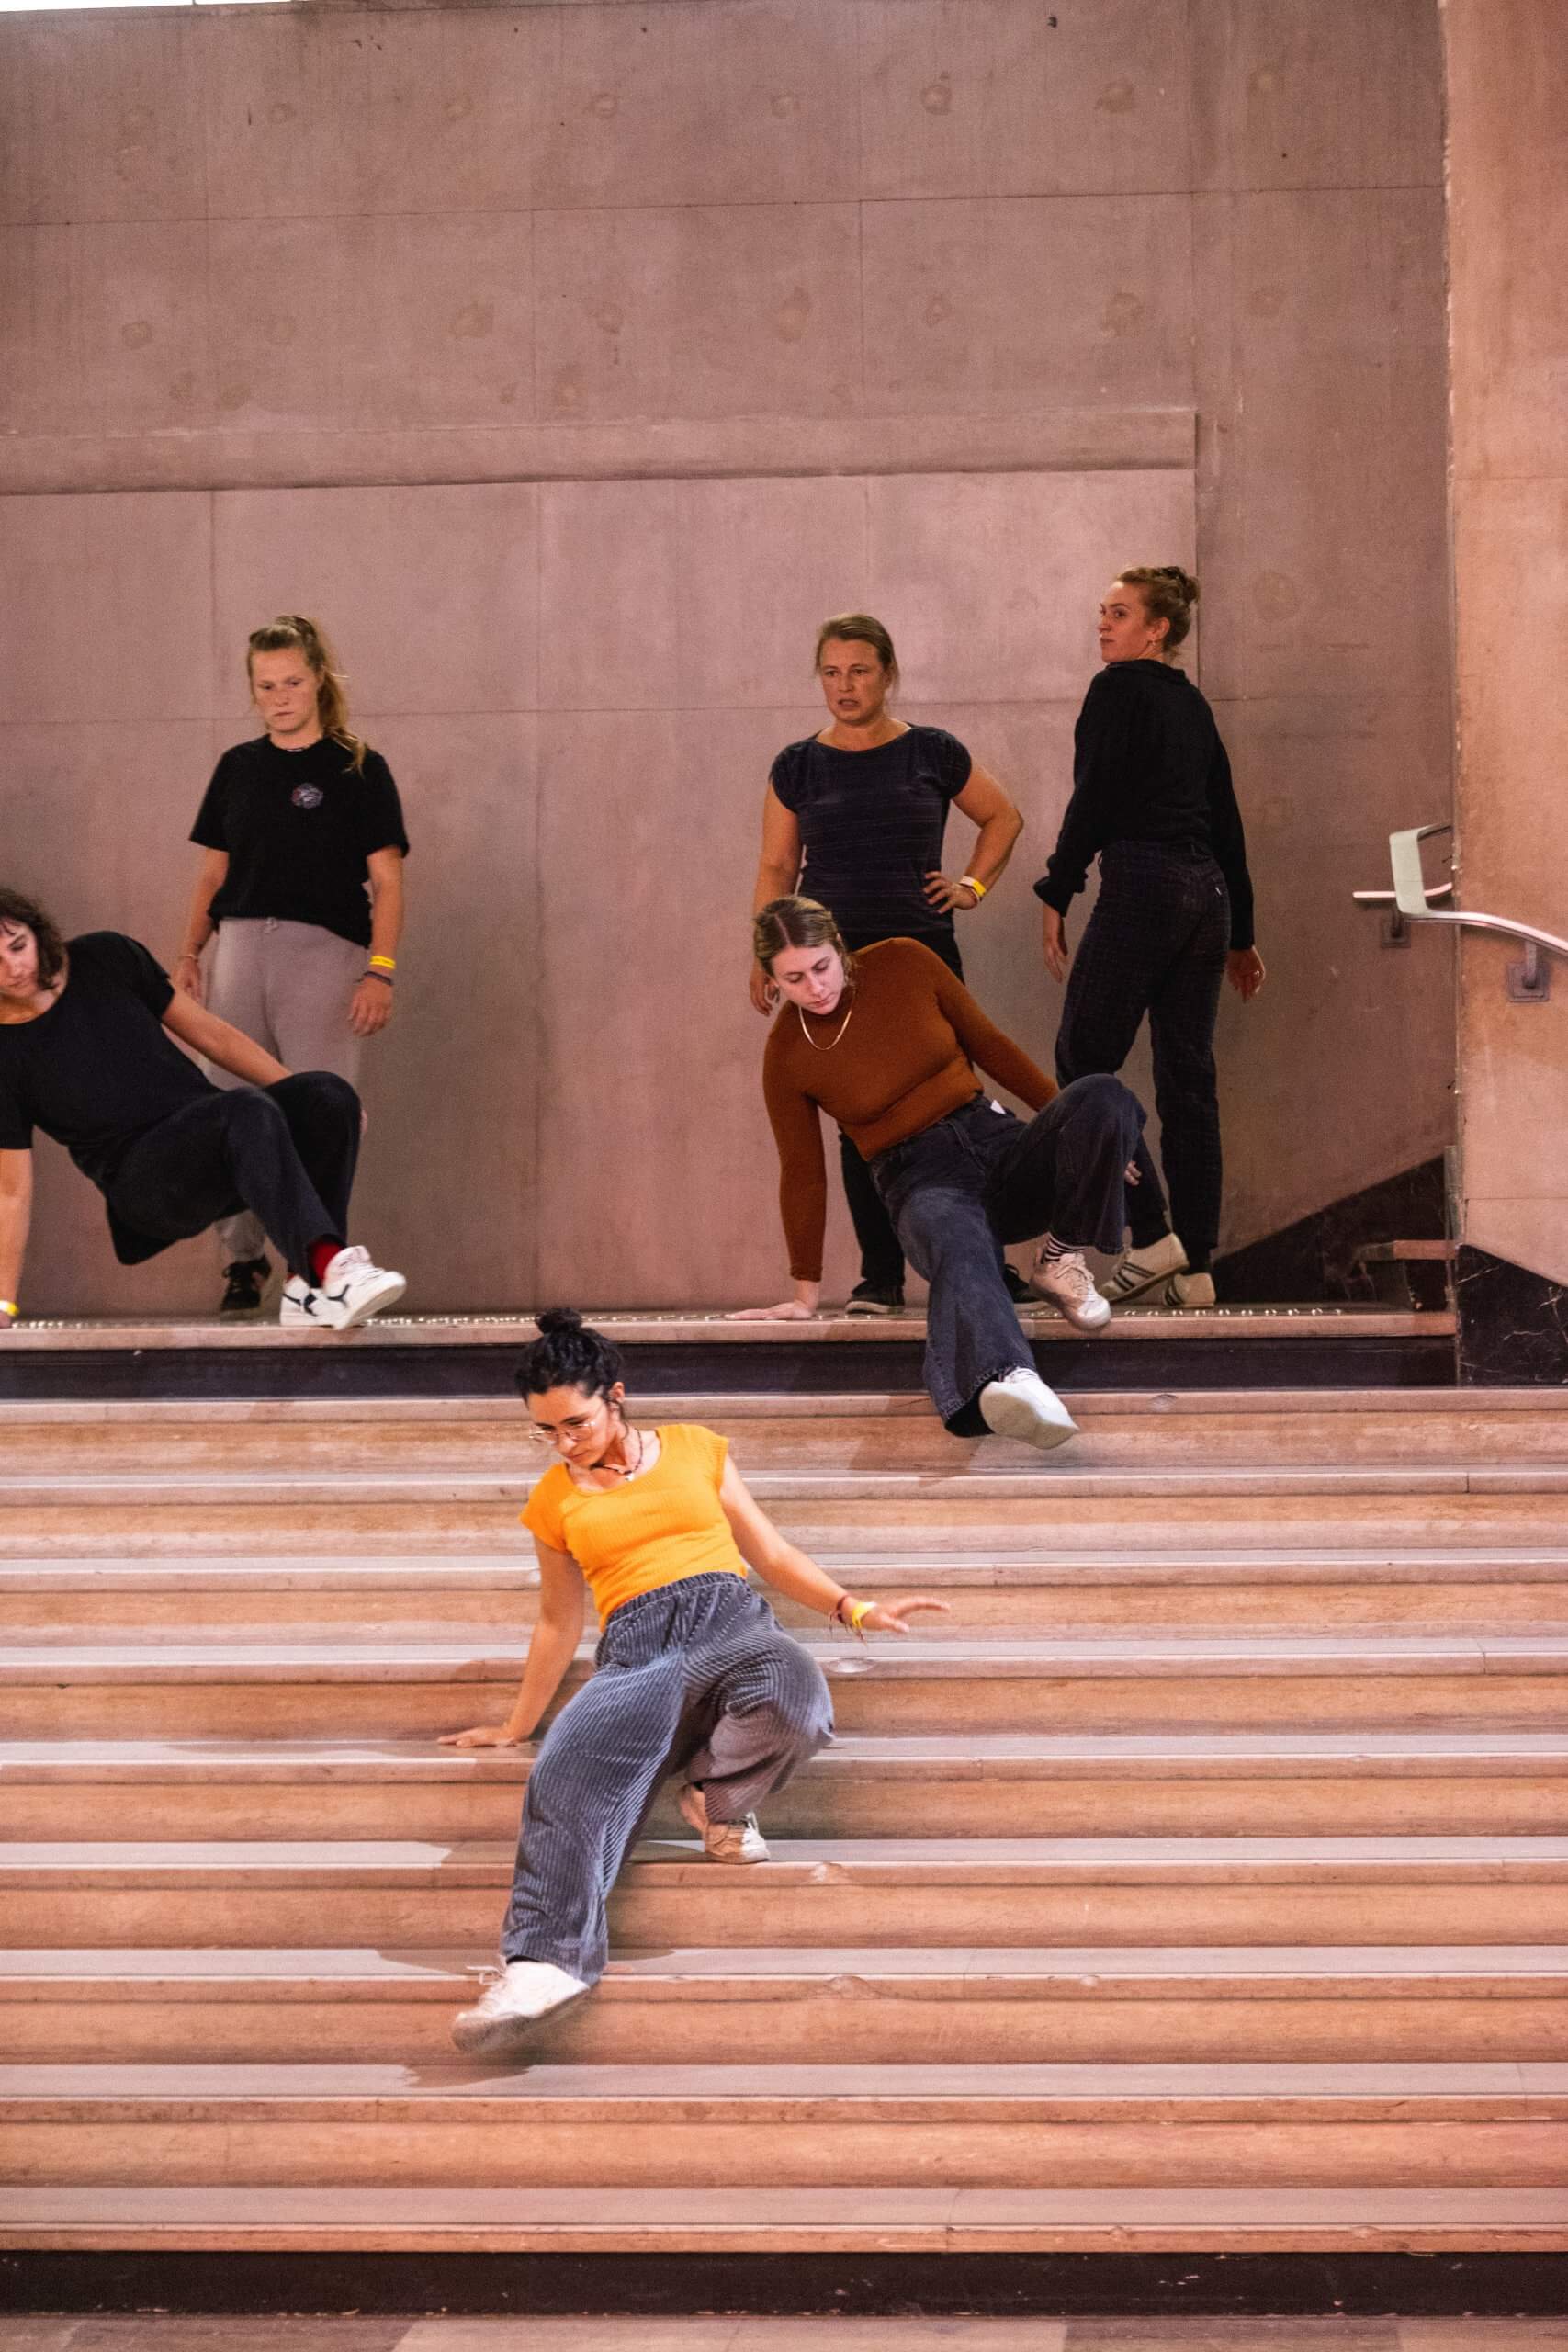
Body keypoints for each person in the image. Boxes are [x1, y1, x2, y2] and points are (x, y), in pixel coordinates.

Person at [442, 1308, 947, 2058]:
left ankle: (716, 1802)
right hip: (636, 1650)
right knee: (563, 1773)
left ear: (615, 1395)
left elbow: (768, 1552)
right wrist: (519, 1725)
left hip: (731, 1619)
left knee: (797, 1699)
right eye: (545, 1431)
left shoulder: (694, 1449)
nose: (564, 1443)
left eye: (574, 1422)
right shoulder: (553, 1498)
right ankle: (543, 1963)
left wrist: (851, 1606)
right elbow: (557, 1623)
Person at [735, 897, 1148, 1451]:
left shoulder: (905, 961)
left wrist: (1088, 1136)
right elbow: (803, 1171)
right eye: (794, 978)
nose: (815, 987)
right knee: (958, 1240)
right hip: (917, 1179)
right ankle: (1011, 1379)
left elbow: (992, 1047)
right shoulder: (787, 1052)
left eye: (822, 966)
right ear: (773, 981)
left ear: (839, 947)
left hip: (995, 1140)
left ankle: (1060, 1258)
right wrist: (804, 1291)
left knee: (1104, 1097)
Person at [750, 612, 1026, 1317]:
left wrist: (971, 886)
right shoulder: (797, 766)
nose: (843, 686)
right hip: (829, 964)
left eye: (859, 671)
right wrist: (762, 954)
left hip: (919, 949)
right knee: (857, 1119)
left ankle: (986, 1259)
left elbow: (1003, 818)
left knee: (957, 1101)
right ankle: (880, 1276)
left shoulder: (932, 752)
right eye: (831, 672)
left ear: (888, 674)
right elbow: (778, 863)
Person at [0, 888, 404, 1333]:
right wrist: (4, 1304)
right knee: (241, 1109)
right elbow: (10, 1189)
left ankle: (306, 1288)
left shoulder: (107, 956)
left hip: (213, 1138)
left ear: (37, 933)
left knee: (328, 1095)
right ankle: (331, 1269)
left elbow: (214, 1035)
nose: (14, 968)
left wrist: (309, 1104)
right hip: (146, 1187)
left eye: (18, 946)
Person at [1036, 568, 1265, 1308]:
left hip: (1143, 883)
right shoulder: (1190, 704)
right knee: (1187, 1080)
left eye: (1119, 613)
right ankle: (1196, 1266)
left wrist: (1058, 887)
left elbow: (1093, 795)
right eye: (1101, 611)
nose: (1102, 625)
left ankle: (1153, 1230)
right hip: (1206, 897)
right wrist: (1242, 930)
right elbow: (1224, 816)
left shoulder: (1116, 690)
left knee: (1083, 1059)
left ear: (1156, 629)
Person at [175, 615, 409, 1317]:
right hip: (240, 947)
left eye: (293, 682)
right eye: (266, 686)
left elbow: (389, 882)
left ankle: (316, 1269)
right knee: (230, 1105)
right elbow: (213, 872)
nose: (280, 697)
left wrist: (381, 969)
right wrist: (189, 952)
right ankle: (241, 1261)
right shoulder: (237, 768)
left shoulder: (357, 767)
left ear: (318, 680)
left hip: (324, 954)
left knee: (321, 1111)